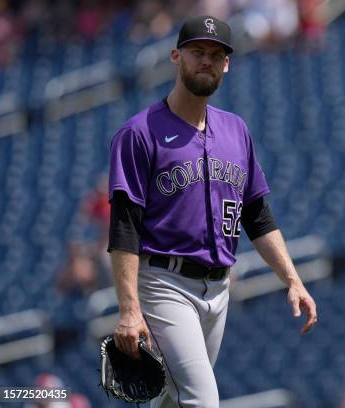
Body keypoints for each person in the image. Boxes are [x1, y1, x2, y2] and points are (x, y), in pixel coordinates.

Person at [107, 15, 318, 407]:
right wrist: (129, 310)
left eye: (216, 54)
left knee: (172, 401)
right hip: (165, 283)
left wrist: (293, 279)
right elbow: (124, 228)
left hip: (220, 288)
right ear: (176, 57)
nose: (206, 60)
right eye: (197, 51)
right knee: (202, 399)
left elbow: (257, 215)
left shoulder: (236, 130)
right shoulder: (139, 133)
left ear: (226, 65)